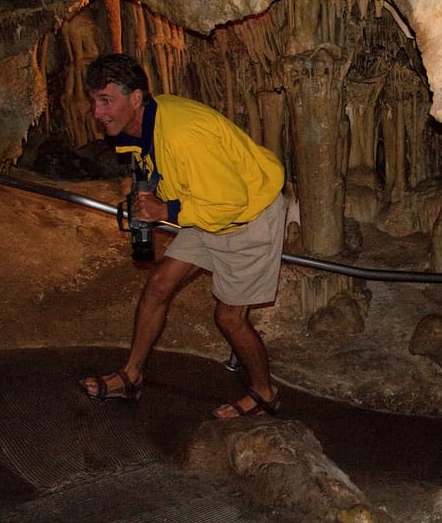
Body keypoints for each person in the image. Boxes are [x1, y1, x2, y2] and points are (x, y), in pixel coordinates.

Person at [78, 53, 287, 419]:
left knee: (229, 318)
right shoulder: (145, 125)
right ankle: (131, 377)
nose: (98, 112)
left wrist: (166, 212)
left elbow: (230, 202)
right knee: (158, 285)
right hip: (203, 209)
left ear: (137, 98)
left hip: (246, 218)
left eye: (106, 100)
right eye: (95, 101)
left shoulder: (181, 134)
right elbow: (157, 171)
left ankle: (265, 393)